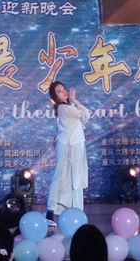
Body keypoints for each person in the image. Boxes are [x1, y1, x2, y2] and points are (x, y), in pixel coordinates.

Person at [45, 81, 89, 225]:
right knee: (60, 177)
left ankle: (75, 212)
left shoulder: (66, 108)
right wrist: (75, 100)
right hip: (68, 145)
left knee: (75, 179)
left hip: (74, 145)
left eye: (64, 89)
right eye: (59, 91)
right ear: (55, 96)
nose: (64, 92)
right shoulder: (64, 108)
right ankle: (50, 211)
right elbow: (85, 115)